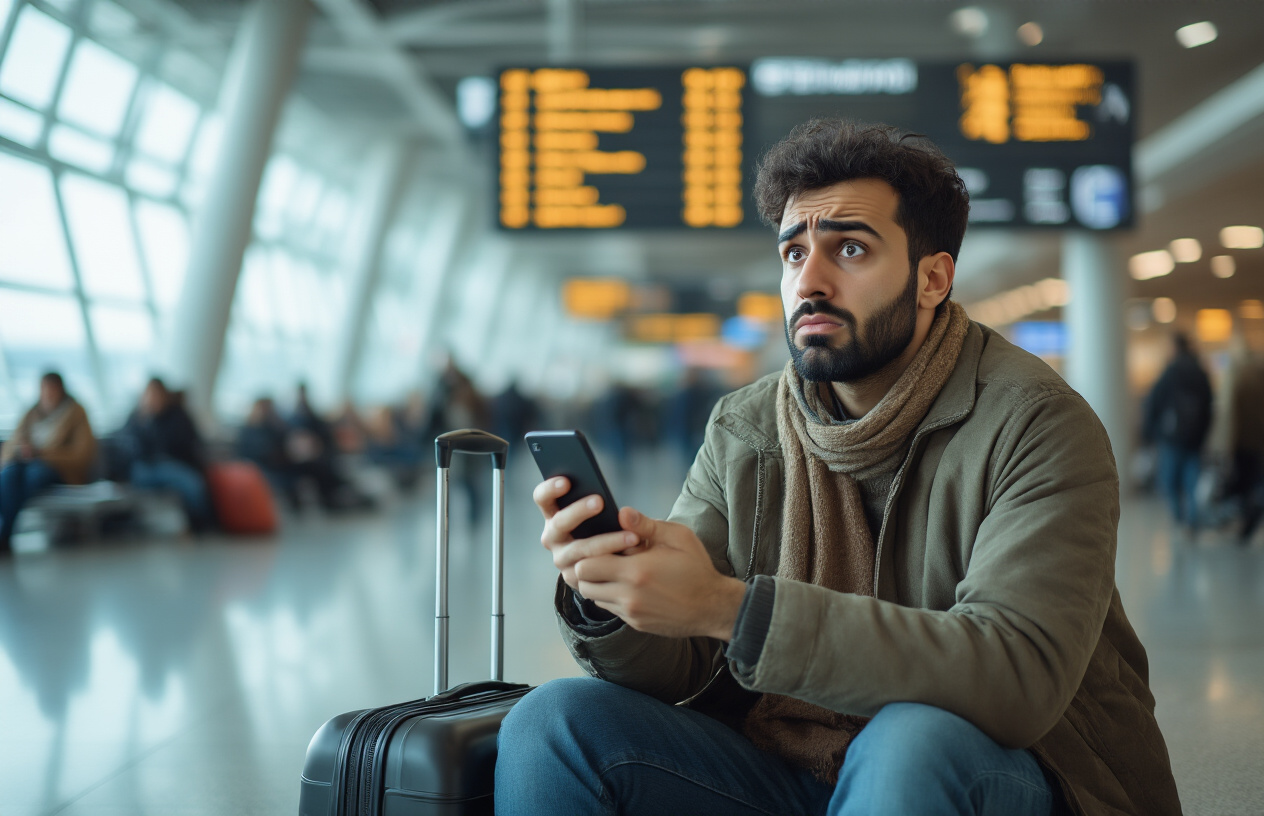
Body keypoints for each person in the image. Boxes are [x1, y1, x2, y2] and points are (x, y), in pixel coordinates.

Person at [497, 120, 1181, 816]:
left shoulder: (1036, 421)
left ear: (932, 278)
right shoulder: (749, 425)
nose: (810, 281)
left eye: (849, 248)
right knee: (552, 723)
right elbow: (688, 664)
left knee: (910, 738)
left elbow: (1017, 677)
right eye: (794, 253)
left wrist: (729, 607)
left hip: (1022, 771)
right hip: (789, 760)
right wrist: (614, 595)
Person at [0, 372, 97, 552]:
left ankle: (6, 532)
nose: (48, 394)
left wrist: (42, 453)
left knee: (35, 473)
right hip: (27, 464)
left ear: (61, 390)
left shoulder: (75, 412)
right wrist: (21, 451)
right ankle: (5, 530)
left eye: (52, 389)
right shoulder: (31, 412)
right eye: (44, 389)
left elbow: (81, 456)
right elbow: (12, 444)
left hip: (61, 470)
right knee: (8, 474)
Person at [120, 377, 213, 532]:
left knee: (191, 485)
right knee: (184, 481)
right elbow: (130, 446)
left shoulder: (177, 416)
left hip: (174, 464)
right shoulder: (138, 418)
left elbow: (184, 444)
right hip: (145, 466)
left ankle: (200, 524)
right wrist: (146, 422)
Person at [1142, 332, 1214, 534]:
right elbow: (1209, 407)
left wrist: (1150, 433)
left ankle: (1179, 520)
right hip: (1195, 438)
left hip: (1172, 437)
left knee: (1169, 482)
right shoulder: (1200, 372)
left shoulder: (1171, 371)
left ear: (1174, 347)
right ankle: (1192, 521)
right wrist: (1204, 433)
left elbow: (1154, 402)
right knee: (1192, 483)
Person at [1212, 333, 1264, 544]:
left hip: (1241, 441)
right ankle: (1248, 521)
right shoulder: (1259, 374)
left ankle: (1245, 523)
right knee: (1253, 484)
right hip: (1258, 441)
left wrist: (1223, 446)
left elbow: (1229, 415)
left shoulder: (1235, 375)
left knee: (1240, 484)